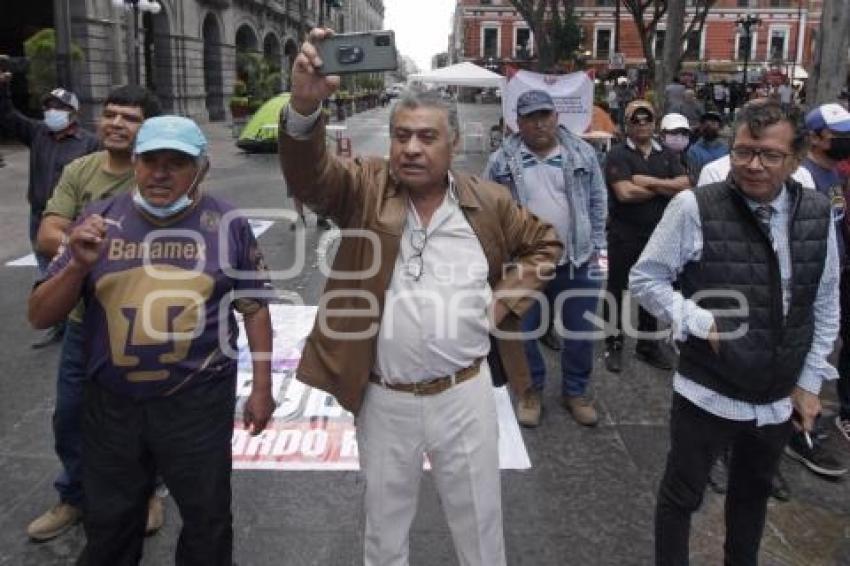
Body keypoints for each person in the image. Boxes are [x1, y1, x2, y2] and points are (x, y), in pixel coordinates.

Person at [278, 29, 561, 566]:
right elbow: (311, 179)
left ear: (453, 143)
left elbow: (544, 244)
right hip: (385, 401)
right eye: (400, 135)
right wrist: (303, 107)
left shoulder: (489, 201)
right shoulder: (363, 188)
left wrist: (503, 300)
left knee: (480, 530)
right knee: (384, 536)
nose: (410, 147)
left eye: (426, 137)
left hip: (467, 396)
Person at [28, 115, 275, 565]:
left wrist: (262, 389)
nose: (160, 173)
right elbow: (39, 314)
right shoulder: (98, 219)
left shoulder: (229, 223)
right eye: (150, 161)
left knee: (207, 519)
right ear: (135, 163)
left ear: (200, 167)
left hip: (197, 403)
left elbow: (255, 309)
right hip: (112, 404)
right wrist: (78, 265)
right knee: (111, 522)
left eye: (176, 163)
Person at [630, 100, 839, 565]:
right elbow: (646, 279)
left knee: (751, 498)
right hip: (707, 391)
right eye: (744, 152)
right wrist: (698, 320)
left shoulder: (817, 214)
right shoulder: (694, 206)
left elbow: (823, 303)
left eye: (768, 155)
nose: (754, 165)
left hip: (776, 398)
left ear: (796, 159)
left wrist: (809, 383)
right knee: (681, 496)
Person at [25, 85, 167, 542]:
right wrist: (84, 245)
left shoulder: (160, 174)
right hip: (83, 321)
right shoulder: (79, 169)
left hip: (140, 321)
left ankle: (147, 492)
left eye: (130, 117)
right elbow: (48, 233)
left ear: (148, 129)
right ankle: (74, 496)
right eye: (110, 114)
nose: (117, 124)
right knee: (69, 413)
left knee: (141, 416)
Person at [483, 89, 607, 428]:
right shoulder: (501, 161)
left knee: (581, 334)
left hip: (578, 259)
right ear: (518, 122)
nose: (539, 124)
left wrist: (597, 245)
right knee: (524, 332)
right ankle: (530, 391)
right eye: (531, 118)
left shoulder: (582, 153)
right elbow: (488, 209)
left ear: (556, 117)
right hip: (525, 264)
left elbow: (597, 201)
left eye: (545, 116)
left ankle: (575, 392)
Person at [0, 70, 99, 347]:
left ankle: (83, 319)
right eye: (49, 107)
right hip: (40, 216)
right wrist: (4, 89)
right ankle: (59, 323)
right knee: (47, 268)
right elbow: (7, 117)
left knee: (75, 267)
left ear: (73, 114)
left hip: (74, 219)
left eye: (59, 108)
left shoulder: (89, 142)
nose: (51, 112)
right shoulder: (38, 134)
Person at [603, 100, 690, 373]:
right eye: (635, 120)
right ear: (626, 125)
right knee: (616, 290)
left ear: (654, 123)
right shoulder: (616, 155)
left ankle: (647, 344)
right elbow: (624, 193)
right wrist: (666, 186)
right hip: (623, 234)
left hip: (658, 235)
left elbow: (685, 185)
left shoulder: (667, 154)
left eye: (647, 119)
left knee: (652, 289)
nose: (642, 124)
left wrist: (647, 181)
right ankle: (613, 341)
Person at [789, 103, 850, 477]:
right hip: (806, 280)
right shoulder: (802, 178)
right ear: (814, 137)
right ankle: (800, 432)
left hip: (834, 274)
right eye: (839, 137)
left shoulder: (835, 177)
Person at [686, 110, 729, 184]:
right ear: (700, 126)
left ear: (720, 127)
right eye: (705, 123)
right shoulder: (693, 151)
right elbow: (694, 179)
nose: (709, 125)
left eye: (713, 122)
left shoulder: (727, 148)